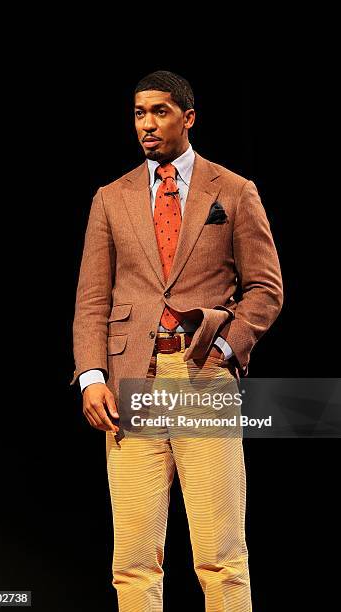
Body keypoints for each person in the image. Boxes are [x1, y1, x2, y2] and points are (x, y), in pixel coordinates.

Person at [71, 70, 283, 611]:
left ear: (188, 117)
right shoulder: (111, 198)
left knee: (221, 555)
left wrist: (227, 347)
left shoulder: (233, 190)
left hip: (202, 377)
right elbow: (93, 298)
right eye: (140, 113)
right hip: (131, 384)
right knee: (134, 563)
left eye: (160, 112)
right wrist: (92, 376)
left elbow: (265, 288)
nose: (147, 124)